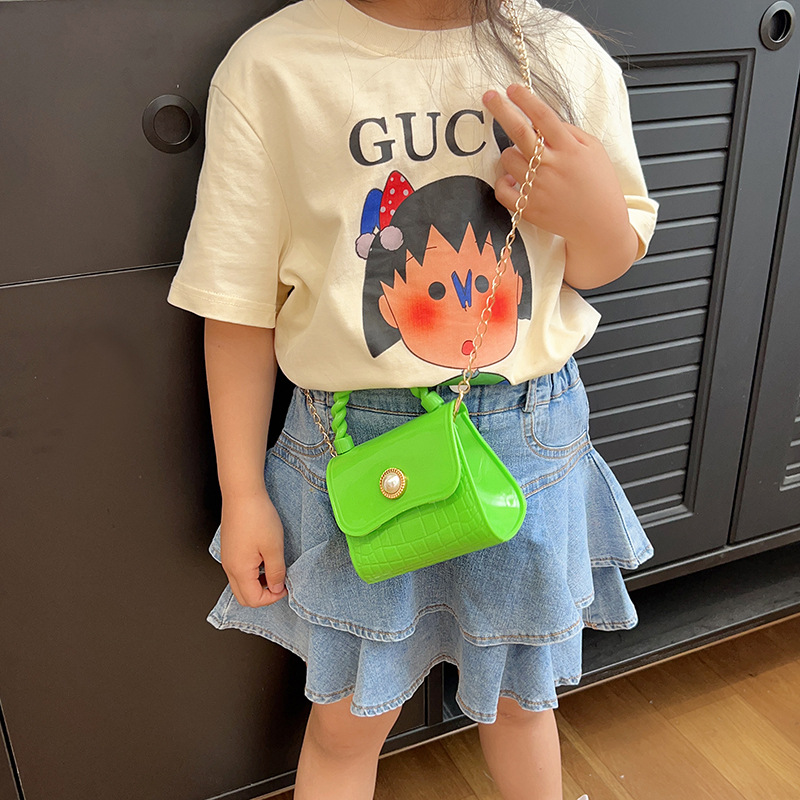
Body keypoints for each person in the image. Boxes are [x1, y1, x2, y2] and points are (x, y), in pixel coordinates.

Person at [166, 0, 659, 797]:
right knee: (346, 721)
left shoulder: (560, 54)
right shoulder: (274, 67)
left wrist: (594, 212)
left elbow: (600, 260)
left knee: (521, 704)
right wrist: (242, 492)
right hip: (356, 454)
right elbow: (237, 308)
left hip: (527, 442)